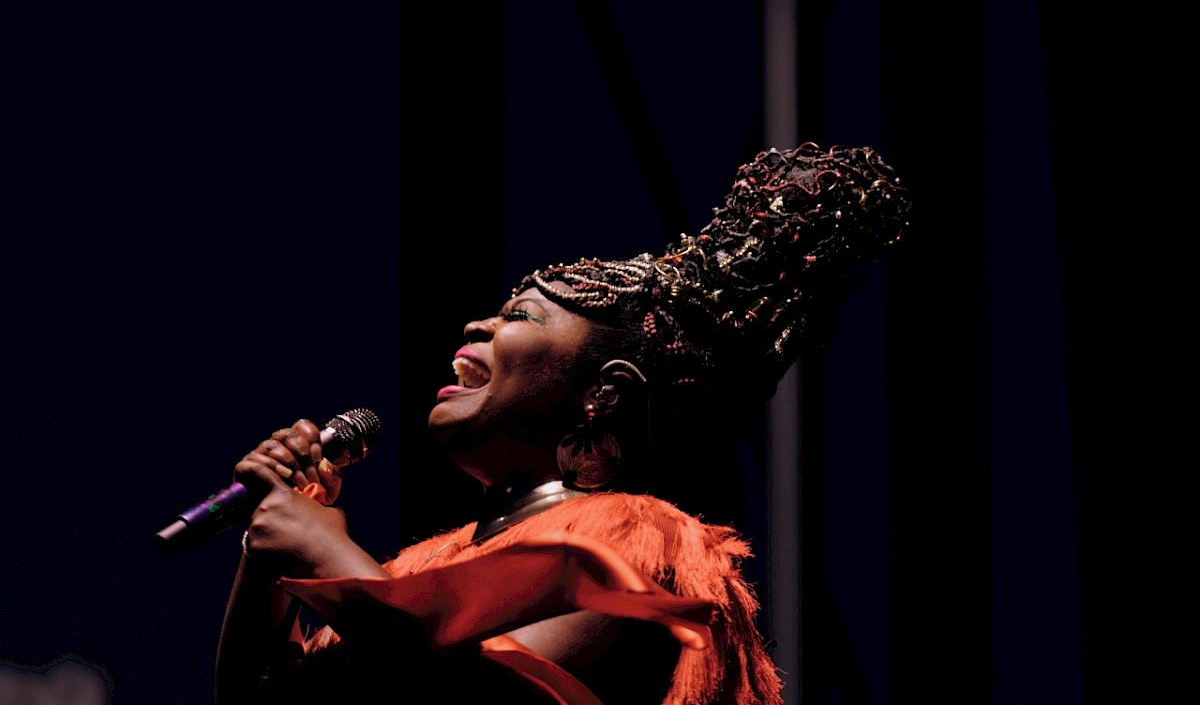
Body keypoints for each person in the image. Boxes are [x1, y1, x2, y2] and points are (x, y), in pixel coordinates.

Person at [213, 143, 912, 704]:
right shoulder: (422, 566)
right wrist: (268, 553)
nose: (478, 324)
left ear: (602, 395)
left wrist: (326, 557)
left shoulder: (638, 534)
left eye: (520, 317)